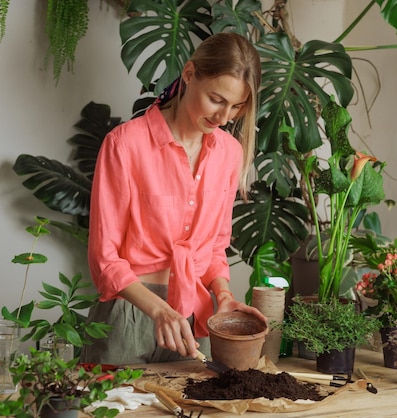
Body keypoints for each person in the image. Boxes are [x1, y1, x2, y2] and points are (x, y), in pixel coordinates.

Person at [81, 32, 267, 365]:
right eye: (217, 99)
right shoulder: (125, 145)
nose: (224, 117)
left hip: (194, 319)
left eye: (237, 106)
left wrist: (223, 296)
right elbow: (104, 258)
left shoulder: (229, 153)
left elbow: (213, 248)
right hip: (129, 315)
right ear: (189, 74)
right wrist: (160, 311)